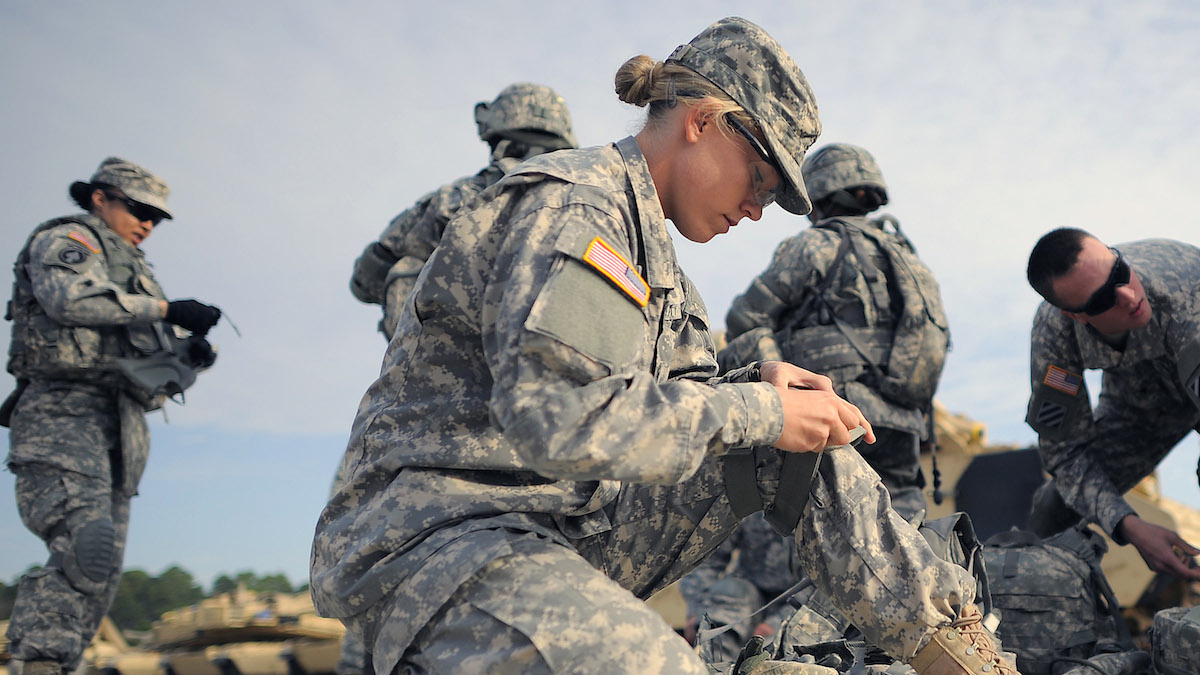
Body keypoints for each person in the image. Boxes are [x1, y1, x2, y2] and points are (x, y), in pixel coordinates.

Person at [311, 17, 1016, 675]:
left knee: (799, 442)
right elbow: (561, 417)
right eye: (762, 179)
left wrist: (760, 383)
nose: (757, 208)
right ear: (703, 122)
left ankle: (960, 650)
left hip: (562, 528)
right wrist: (757, 408)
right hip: (440, 539)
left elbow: (689, 405)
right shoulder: (577, 205)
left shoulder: (659, 261)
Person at [2, 157, 222, 675]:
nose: (147, 223)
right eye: (139, 209)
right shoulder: (70, 241)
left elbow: (144, 376)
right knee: (84, 545)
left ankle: (62, 664)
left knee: (101, 573)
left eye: (156, 217)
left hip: (121, 430)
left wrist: (185, 359)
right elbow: (68, 301)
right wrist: (167, 311)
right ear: (99, 197)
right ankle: (40, 664)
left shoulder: (136, 274)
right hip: (62, 415)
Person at [722, 142, 948, 523]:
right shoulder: (908, 257)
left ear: (819, 191)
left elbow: (745, 319)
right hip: (903, 423)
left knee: (825, 532)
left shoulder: (816, 245)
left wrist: (784, 392)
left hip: (834, 415)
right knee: (903, 529)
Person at [1024, 227, 1200, 583]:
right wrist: (1130, 527)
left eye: (1119, 272)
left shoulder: (1187, 287)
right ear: (1075, 315)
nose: (1127, 295)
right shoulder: (1055, 332)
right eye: (1102, 299)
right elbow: (1065, 454)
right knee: (1053, 510)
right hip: (1140, 408)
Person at [349, 82, 578, 338]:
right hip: (562, 345)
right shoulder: (585, 191)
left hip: (466, 354)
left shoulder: (466, 193)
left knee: (409, 265)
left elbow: (366, 277)